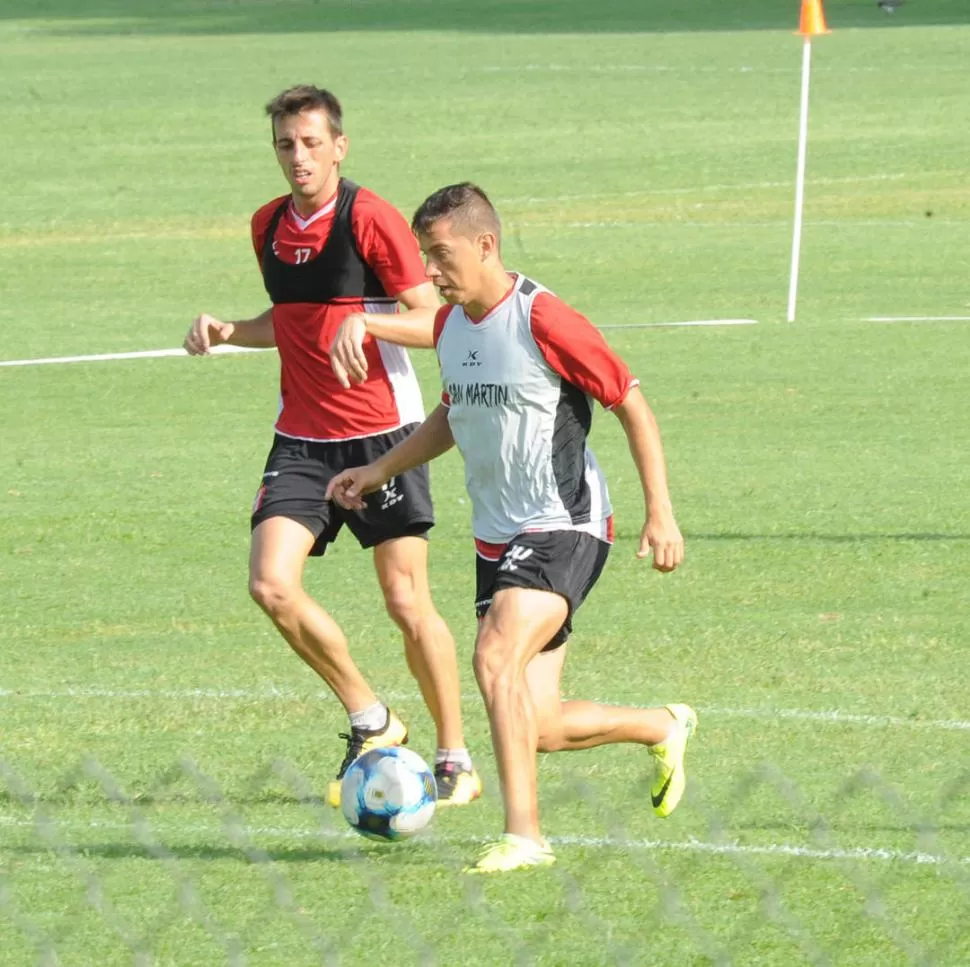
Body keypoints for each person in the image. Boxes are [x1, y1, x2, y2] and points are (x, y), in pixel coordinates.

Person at [327, 182, 697, 874]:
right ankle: (661, 724)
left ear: (485, 244)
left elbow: (631, 401)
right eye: (423, 257)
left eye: (440, 256)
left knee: (493, 655)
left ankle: (524, 835)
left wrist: (661, 510)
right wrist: (378, 471)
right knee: (539, 724)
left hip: (566, 521)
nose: (429, 273)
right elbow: (454, 412)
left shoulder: (542, 317)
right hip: (497, 538)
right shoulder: (452, 325)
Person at [183, 88, 481, 808]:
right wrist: (229, 330)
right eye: (287, 144)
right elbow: (289, 322)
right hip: (303, 440)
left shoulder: (368, 217)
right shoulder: (266, 226)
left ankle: (454, 754)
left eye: (312, 142)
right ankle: (371, 717)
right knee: (270, 584)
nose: (299, 157)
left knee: (406, 601)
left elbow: (436, 317)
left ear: (339, 146)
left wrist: (369, 325)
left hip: (384, 434)